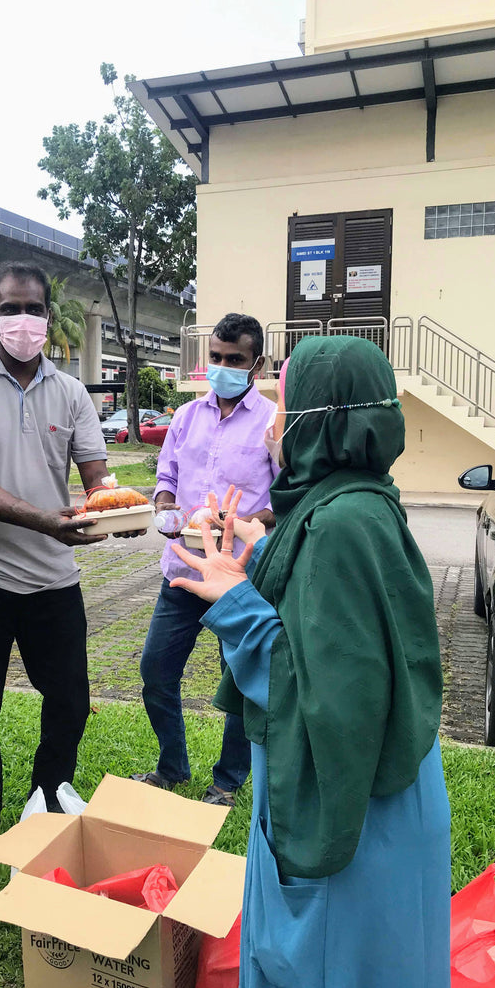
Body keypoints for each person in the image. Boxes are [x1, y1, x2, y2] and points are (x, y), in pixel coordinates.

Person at [172, 334, 451, 988]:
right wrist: (261, 545)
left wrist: (234, 600)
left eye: (285, 406)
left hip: (352, 815)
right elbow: (334, 622)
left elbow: (322, 697)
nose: (272, 421)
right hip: (387, 802)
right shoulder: (356, 502)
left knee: (327, 987)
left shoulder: (340, 527)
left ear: (321, 420)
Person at [0, 261, 117, 865]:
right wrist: (46, 519)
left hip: (51, 573)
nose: (23, 320)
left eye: (34, 309)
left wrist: (114, 507)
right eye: (11, 308)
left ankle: (47, 793)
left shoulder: (69, 391)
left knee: (68, 695)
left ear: (47, 316)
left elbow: (96, 477)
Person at [133, 313, 279, 807]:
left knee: (239, 681)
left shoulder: (270, 423)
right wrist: (163, 507)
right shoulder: (186, 416)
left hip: (240, 577)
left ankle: (228, 781)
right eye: (215, 358)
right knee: (155, 670)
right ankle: (172, 767)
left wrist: (238, 521)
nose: (221, 367)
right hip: (181, 570)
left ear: (255, 365)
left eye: (234, 360)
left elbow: (284, 497)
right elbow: (166, 477)